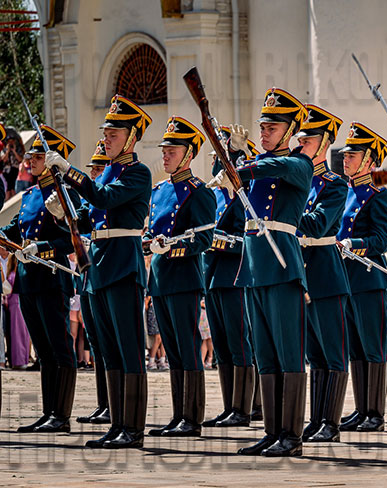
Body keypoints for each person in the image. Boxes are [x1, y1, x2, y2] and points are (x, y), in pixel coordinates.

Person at [209, 87, 313, 457]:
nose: (265, 132)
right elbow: (230, 190)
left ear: (289, 132)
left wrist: (244, 162)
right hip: (253, 268)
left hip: (282, 267)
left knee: (288, 354)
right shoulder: (255, 166)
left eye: (273, 127)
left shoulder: (299, 163)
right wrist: (228, 158)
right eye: (263, 127)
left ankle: (291, 436)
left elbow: (276, 166)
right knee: (264, 355)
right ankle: (271, 432)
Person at [54, 95, 153, 448]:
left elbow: (104, 199)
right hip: (98, 264)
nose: (107, 138)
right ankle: (117, 423)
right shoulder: (109, 171)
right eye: (106, 133)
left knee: (128, 349)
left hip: (123, 264)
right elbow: (87, 217)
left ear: (131, 137)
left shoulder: (138, 173)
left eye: (115, 133)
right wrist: (62, 206)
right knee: (108, 349)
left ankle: (133, 428)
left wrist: (71, 172)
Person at [3, 125, 79, 435]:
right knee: (44, 352)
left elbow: (72, 240)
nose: (28, 161)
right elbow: (15, 231)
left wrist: (43, 248)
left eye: (35, 155)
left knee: (59, 348)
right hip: (29, 281)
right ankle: (49, 412)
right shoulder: (32, 194)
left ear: (50, 158)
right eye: (30, 155)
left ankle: (61, 414)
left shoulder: (64, 194)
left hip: (51, 279)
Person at [143, 116, 216, 438]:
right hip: (160, 279)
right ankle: (178, 415)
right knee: (172, 352)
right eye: (165, 149)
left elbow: (202, 239)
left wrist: (169, 247)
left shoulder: (198, 192)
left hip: (184, 278)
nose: (166, 154)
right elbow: (152, 231)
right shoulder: (158, 191)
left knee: (187, 349)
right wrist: (149, 243)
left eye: (172, 150)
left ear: (188, 154)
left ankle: (192, 417)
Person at [293, 105, 352, 443]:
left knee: (332, 352)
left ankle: (331, 421)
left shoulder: (334, 185)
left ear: (325, 142)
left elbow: (317, 224)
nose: (302, 144)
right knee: (314, 355)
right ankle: (315, 420)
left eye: (309, 139)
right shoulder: (297, 179)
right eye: (300, 139)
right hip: (301, 272)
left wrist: (282, 213)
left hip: (325, 273)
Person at [334, 123, 387, 434]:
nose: (346, 159)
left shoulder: (379, 196)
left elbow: (382, 239)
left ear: (370, 160)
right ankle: (360, 409)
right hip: (344, 279)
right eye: (345, 155)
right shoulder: (342, 192)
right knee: (355, 349)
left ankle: (376, 412)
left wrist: (354, 244)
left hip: (369, 280)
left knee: (373, 348)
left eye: (353, 155)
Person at [200, 126, 257, 429]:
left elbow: (247, 237)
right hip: (214, 274)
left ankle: (243, 408)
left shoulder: (244, 200)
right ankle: (229, 406)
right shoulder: (219, 199)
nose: (218, 168)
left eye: (224, 162)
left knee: (239, 342)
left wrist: (238, 152)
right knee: (221, 344)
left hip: (235, 274)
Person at [74, 140, 113, 426]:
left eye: (100, 167)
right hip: (89, 275)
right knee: (97, 344)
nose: (96, 172)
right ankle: (103, 403)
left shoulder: (107, 193)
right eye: (94, 168)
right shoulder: (88, 201)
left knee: (110, 343)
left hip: (107, 271)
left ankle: (114, 405)